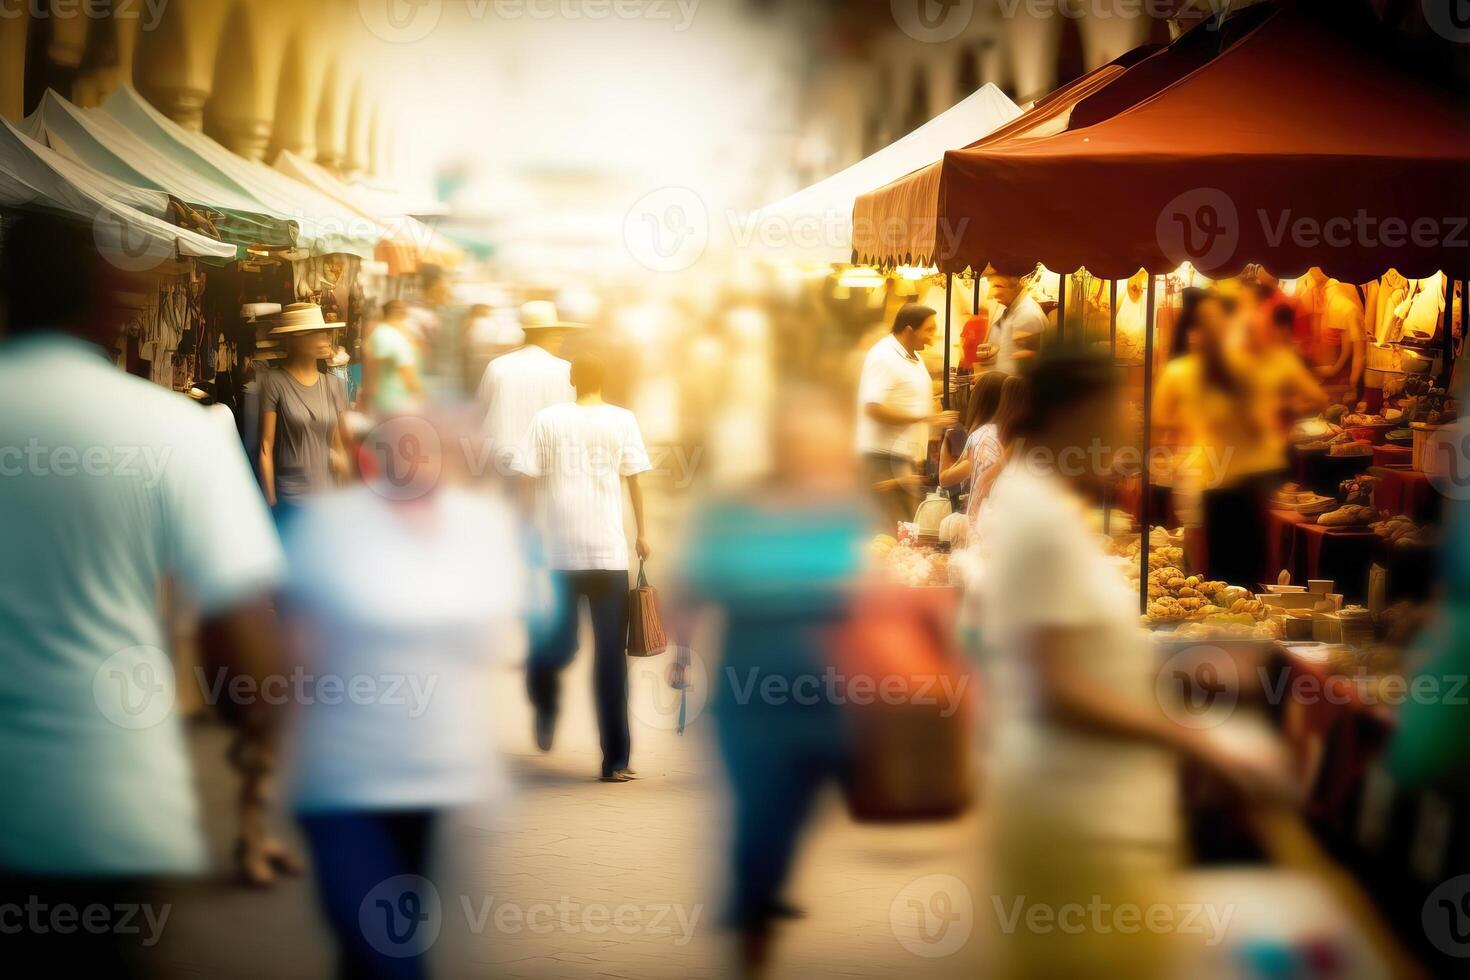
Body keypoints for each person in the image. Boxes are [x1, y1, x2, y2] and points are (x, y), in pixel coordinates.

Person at [0, 209, 286, 972]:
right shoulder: (173, 431)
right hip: (99, 806)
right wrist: (257, 735)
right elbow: (243, 640)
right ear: (104, 298)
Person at [974, 351, 1294, 978]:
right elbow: (1056, 687)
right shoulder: (1036, 515)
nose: (1126, 430)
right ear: (1076, 420)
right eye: (1116, 412)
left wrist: (1178, 674)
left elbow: (1079, 655)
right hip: (1074, 818)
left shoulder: (1047, 506)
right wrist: (1201, 744)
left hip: (1092, 813)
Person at [281, 415, 527, 980]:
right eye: (400, 450)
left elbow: (508, 632)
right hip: (343, 780)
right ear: (371, 459)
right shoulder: (329, 527)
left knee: (378, 944)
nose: (415, 462)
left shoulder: (479, 528)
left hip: (438, 778)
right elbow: (292, 649)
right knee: (391, 955)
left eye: (428, 449)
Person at [675, 384, 867, 975]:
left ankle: (764, 889)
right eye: (799, 441)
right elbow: (691, 585)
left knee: (804, 805)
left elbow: (868, 594)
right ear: (777, 446)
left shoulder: (843, 509)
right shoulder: (731, 511)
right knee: (759, 811)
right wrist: (681, 655)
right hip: (750, 687)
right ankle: (752, 926)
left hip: (830, 691)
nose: (811, 453)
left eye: (821, 443)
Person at [516, 349, 652, 782]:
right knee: (611, 658)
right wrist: (642, 534)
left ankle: (543, 695)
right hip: (608, 555)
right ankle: (616, 760)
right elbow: (635, 480)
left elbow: (527, 480)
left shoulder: (547, 419)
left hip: (559, 554)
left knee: (558, 643)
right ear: (605, 380)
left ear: (572, 380)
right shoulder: (623, 419)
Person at [855, 304, 957, 530]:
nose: (933, 336)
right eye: (929, 330)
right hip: (882, 458)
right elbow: (872, 408)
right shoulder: (884, 357)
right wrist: (924, 418)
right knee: (888, 530)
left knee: (903, 528)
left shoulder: (912, 355)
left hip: (903, 458)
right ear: (909, 329)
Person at [258, 305, 350, 530]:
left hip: (327, 498)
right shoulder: (274, 381)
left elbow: (340, 448)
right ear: (296, 339)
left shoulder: (334, 385)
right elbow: (265, 448)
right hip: (291, 496)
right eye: (317, 333)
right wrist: (269, 503)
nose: (326, 337)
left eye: (325, 332)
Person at [477, 301, 579, 475]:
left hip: (499, 456)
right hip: (545, 460)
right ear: (553, 335)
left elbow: (481, 408)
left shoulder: (497, 366)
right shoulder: (565, 369)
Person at [359, 300, 424, 417]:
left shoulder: (378, 333)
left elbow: (371, 367)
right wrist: (420, 396)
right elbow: (408, 375)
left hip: (380, 400)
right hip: (397, 403)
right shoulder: (393, 338)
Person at [988, 271, 1047, 375]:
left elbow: (1025, 369)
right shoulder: (1009, 311)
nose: (991, 294)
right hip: (1006, 385)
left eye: (998, 286)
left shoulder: (1028, 315)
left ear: (1017, 285)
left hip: (1016, 389)